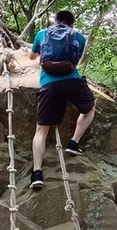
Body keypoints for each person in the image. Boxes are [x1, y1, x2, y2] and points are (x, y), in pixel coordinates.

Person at [28, 10, 95, 189]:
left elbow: (32, 57)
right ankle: (73, 142)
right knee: (89, 108)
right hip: (72, 80)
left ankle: (37, 173)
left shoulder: (42, 33)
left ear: (55, 21)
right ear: (71, 24)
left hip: (49, 84)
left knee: (41, 130)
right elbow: (76, 62)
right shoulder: (79, 37)